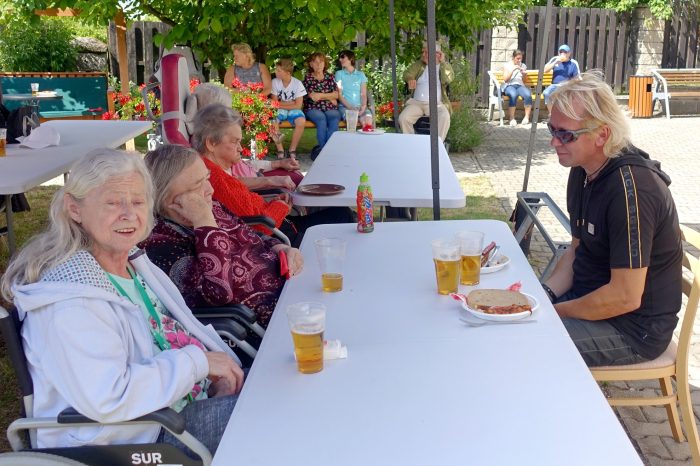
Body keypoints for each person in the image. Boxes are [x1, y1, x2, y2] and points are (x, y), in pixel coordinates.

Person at [0, 149, 244, 455]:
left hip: (178, 403)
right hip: (136, 437)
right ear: (74, 209)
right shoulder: (71, 302)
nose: (129, 215)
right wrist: (199, 364)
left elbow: (167, 334)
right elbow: (109, 396)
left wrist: (213, 374)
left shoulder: (132, 263)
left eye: (138, 202)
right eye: (113, 203)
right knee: (270, 420)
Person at [541, 72, 683, 367]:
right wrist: (545, 294)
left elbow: (625, 297)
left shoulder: (632, 190)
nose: (554, 142)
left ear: (602, 135)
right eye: (552, 129)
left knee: (526, 341)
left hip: (633, 329)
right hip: (590, 301)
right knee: (512, 322)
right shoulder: (582, 169)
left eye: (565, 134)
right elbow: (576, 250)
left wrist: (556, 311)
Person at [141, 145, 303, 327]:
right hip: (269, 322)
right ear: (165, 199)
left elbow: (251, 234)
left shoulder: (212, 206)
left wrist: (281, 248)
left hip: (290, 288)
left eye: (207, 179)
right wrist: (204, 222)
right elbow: (220, 293)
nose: (210, 190)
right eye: (197, 186)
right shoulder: (162, 244)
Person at [191, 104, 354, 246]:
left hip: (281, 225)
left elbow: (247, 209)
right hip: (280, 239)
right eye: (235, 142)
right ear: (211, 143)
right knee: (343, 220)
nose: (240, 148)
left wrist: (274, 203)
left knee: (342, 214)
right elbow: (261, 227)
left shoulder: (213, 171)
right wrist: (280, 206)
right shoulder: (215, 180)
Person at [185, 82, 302, 188]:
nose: (241, 148)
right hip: (256, 188)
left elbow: (244, 165)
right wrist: (268, 181)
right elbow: (228, 183)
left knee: (296, 177)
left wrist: (277, 163)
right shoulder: (211, 151)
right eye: (226, 112)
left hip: (256, 176)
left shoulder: (219, 144)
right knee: (297, 181)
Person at [398, 42, 454, 141]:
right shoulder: (419, 65)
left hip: (436, 104)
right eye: (423, 52)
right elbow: (407, 73)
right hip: (416, 103)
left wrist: (443, 63)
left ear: (437, 54)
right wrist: (410, 79)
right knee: (403, 118)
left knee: (444, 117)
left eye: (426, 52)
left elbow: (448, 79)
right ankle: (411, 143)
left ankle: (437, 144)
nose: (423, 55)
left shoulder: (444, 67)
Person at [302, 52, 341, 152]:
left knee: (334, 117)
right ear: (311, 64)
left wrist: (321, 95)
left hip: (329, 107)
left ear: (324, 64)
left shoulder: (330, 77)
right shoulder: (308, 78)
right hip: (312, 107)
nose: (319, 64)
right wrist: (329, 97)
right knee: (321, 119)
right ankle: (324, 151)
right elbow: (313, 97)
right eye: (316, 62)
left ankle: (328, 149)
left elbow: (336, 95)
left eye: (321, 62)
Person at [270, 58, 307, 160]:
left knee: (301, 121)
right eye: (276, 70)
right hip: (282, 109)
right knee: (272, 121)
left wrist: (280, 104)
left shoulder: (297, 84)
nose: (275, 72)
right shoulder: (275, 82)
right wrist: (291, 103)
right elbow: (274, 103)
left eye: (279, 70)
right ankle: (280, 150)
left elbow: (298, 106)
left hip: (293, 110)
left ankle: (292, 149)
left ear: (287, 73)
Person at [334, 49, 371, 127]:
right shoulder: (339, 74)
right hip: (345, 107)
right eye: (340, 57)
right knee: (352, 122)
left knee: (368, 122)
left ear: (350, 58)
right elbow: (340, 95)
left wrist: (363, 107)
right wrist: (351, 108)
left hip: (360, 107)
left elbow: (363, 94)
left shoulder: (361, 75)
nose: (340, 59)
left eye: (342, 57)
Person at [542, 44, 581, 112]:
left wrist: (570, 83)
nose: (562, 54)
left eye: (565, 52)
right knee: (546, 93)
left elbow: (577, 78)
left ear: (569, 53)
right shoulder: (555, 59)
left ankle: (566, 114)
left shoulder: (573, 63)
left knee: (566, 96)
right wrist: (555, 63)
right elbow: (545, 70)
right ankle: (551, 114)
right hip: (555, 85)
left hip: (567, 86)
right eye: (561, 52)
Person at [502, 49, 532, 127]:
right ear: (513, 57)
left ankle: (526, 117)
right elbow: (505, 79)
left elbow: (524, 81)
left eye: (520, 58)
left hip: (520, 85)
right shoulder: (507, 65)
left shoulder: (523, 66)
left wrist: (524, 75)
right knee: (513, 95)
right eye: (517, 58)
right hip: (509, 85)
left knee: (528, 94)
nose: (519, 60)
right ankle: (512, 118)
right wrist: (513, 70)